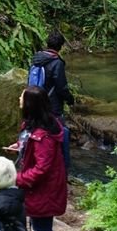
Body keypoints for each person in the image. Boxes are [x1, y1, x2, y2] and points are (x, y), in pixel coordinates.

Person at [9, 85, 67, 231]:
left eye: (22, 97)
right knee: (39, 230)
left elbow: (42, 169)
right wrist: (19, 146)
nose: (18, 99)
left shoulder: (45, 137)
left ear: (30, 104)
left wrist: (17, 179)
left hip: (44, 191)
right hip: (35, 190)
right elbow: (29, 142)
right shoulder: (33, 124)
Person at [31, 30, 74, 170]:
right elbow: (61, 87)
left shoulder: (36, 59)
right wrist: (70, 99)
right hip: (52, 107)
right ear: (60, 46)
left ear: (47, 43)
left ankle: (38, 163)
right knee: (59, 135)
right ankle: (61, 168)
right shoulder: (57, 63)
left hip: (35, 103)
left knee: (39, 134)